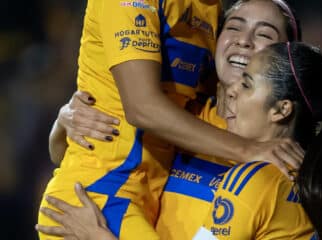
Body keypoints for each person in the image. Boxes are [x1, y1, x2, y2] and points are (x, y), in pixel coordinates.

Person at [38, 42, 322, 239]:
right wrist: (66, 119)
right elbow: (70, 151)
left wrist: (98, 238)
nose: (233, 88)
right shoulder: (308, 172)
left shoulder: (254, 180)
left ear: (282, 109)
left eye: (247, 83)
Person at [38, 0, 304, 239]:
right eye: (234, 27)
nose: (244, 41)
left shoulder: (278, 166)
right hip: (102, 206)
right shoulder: (190, 120)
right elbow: (91, 145)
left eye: (265, 34)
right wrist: (65, 122)